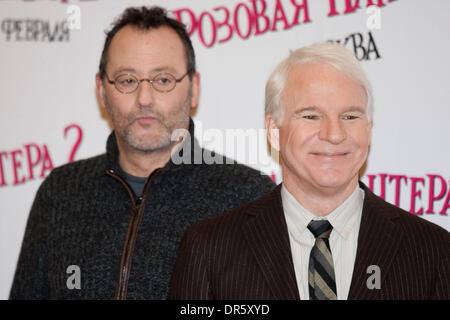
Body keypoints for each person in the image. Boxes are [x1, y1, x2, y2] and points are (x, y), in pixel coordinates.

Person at [10, 6, 275, 300]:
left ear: (194, 88)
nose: (144, 99)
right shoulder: (60, 192)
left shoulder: (249, 197)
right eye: (127, 80)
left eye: (163, 80)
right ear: (101, 90)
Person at [169, 43, 450, 300]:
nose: (334, 134)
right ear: (274, 131)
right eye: (311, 116)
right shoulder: (210, 249)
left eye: (350, 116)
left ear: (369, 128)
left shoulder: (433, 251)